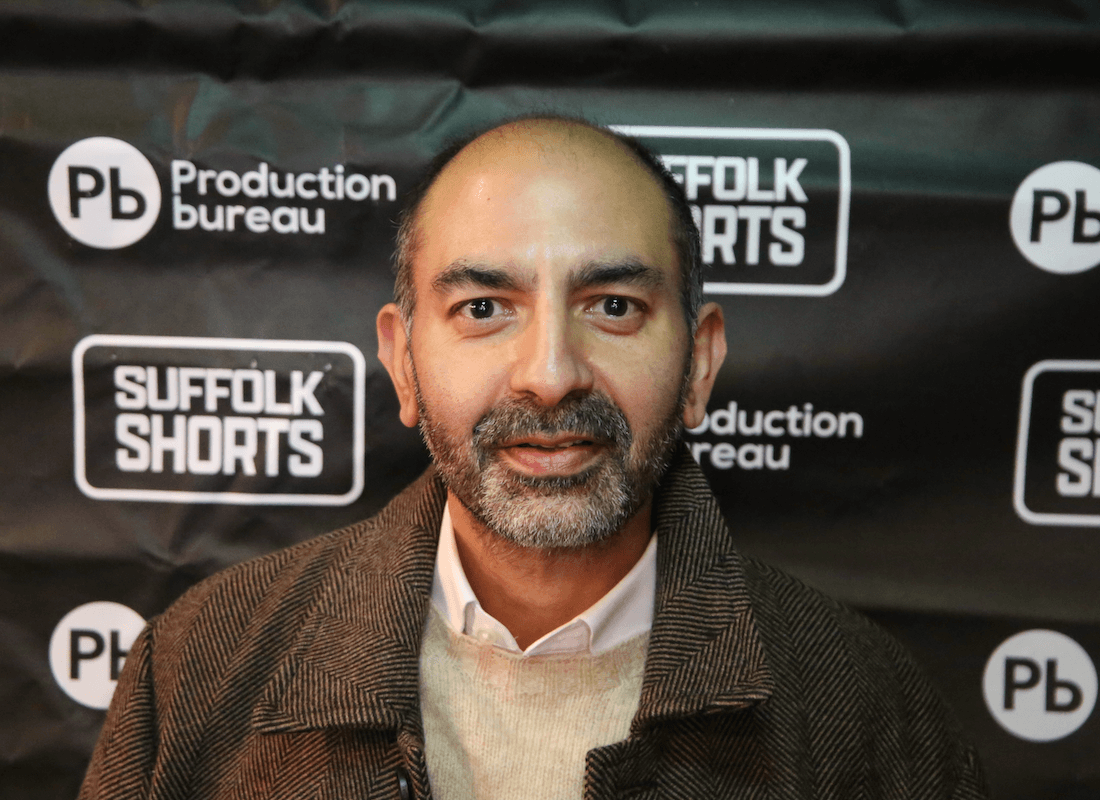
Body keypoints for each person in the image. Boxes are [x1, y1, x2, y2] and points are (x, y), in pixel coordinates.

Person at [79, 116, 988, 800]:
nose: (550, 375)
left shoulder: (871, 714)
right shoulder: (197, 672)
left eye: (613, 306)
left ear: (700, 363)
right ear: (402, 362)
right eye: (483, 309)